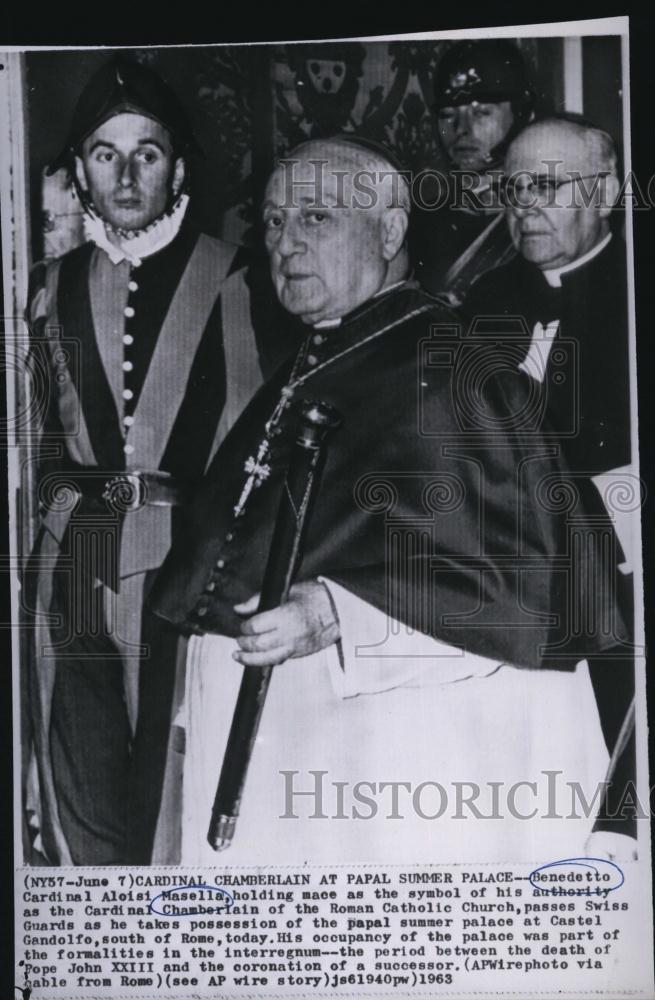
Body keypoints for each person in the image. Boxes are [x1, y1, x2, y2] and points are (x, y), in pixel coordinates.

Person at [148, 135, 623, 865]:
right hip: (281, 747)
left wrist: (338, 611)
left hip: (380, 758)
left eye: (316, 218)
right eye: (273, 222)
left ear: (390, 230)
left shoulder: (451, 365)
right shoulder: (313, 358)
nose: (284, 242)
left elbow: (508, 589)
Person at [25, 56, 268, 865]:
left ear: (178, 167)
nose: (126, 174)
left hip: (189, 558)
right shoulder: (47, 289)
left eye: (147, 153)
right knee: (80, 768)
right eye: (105, 153)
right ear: (81, 174)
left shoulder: (238, 276)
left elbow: (258, 445)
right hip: (76, 557)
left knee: (174, 771)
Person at [463, 115, 636, 859]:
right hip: (497, 590)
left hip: (611, 586)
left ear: (603, 190)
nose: (522, 204)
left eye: (546, 185)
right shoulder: (479, 300)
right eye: (511, 187)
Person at [411, 39, 535, 304]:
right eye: (447, 114)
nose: (461, 129)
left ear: (523, 115)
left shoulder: (542, 216)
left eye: (481, 113)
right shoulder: (415, 220)